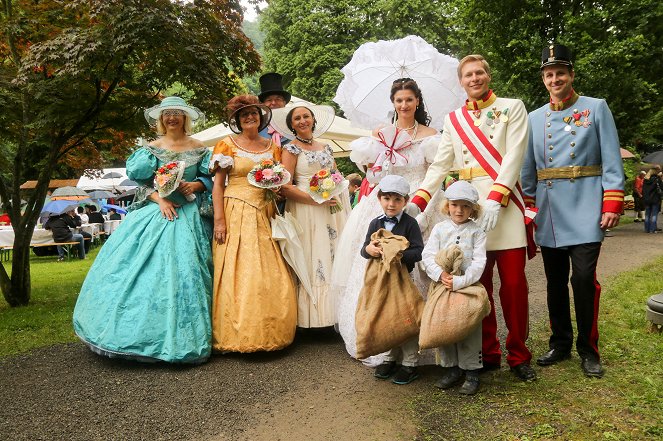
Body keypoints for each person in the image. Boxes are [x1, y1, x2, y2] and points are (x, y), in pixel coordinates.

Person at [408, 55, 536, 382]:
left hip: (502, 206)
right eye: (468, 74)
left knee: (513, 286)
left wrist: (496, 197)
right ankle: (486, 353)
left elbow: (514, 154)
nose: (474, 78)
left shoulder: (513, 107)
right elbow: (440, 164)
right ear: (461, 81)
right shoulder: (454, 119)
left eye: (479, 72)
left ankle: (519, 355)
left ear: (488, 76)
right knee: (476, 286)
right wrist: (420, 199)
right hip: (466, 213)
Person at [73, 96, 214, 363]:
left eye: (177, 113)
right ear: (161, 120)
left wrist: (195, 186)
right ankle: (140, 334)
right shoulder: (150, 150)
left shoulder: (200, 149)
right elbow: (142, 184)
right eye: (167, 114)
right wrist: (160, 199)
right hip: (159, 211)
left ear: (186, 118)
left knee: (192, 268)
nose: (172, 117)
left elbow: (209, 178)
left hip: (192, 213)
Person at [521, 44, 624, 378]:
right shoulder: (534, 118)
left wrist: (612, 201)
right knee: (554, 282)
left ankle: (588, 349)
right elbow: (528, 168)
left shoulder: (596, 108)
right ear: (543, 79)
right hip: (550, 212)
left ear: (571, 75)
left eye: (560, 73)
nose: (555, 79)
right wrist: (529, 206)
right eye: (549, 74)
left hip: (587, 207)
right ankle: (560, 343)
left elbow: (611, 158)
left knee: (582, 278)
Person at [331, 78, 443, 365]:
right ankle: (382, 337)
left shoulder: (431, 135)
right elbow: (374, 176)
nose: (404, 105)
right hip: (386, 203)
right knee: (377, 266)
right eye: (398, 100)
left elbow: (435, 174)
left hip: (420, 200)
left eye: (409, 99)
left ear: (417, 101)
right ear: (392, 103)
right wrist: (375, 164)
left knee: (418, 267)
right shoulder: (381, 134)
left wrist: (424, 208)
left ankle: (422, 336)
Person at [210, 94, 297, 352]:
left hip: (265, 211)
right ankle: (236, 333)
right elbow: (217, 186)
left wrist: (277, 190)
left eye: (254, 114)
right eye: (245, 114)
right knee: (240, 269)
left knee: (269, 269)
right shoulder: (226, 145)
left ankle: (271, 330)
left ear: (261, 119)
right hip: (235, 209)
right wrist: (219, 220)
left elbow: (281, 181)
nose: (250, 117)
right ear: (237, 120)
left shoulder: (272, 146)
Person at [270, 105, 351, 329]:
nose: (302, 121)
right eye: (297, 118)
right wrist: (316, 199)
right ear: (292, 125)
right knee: (312, 255)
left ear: (313, 120)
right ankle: (312, 318)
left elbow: (335, 174)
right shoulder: (291, 149)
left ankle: (334, 315)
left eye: (306, 116)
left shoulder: (326, 147)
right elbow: (285, 187)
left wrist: (334, 191)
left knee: (333, 253)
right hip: (305, 207)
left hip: (330, 207)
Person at [421, 181, 487, 395]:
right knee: (445, 323)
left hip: (467, 286)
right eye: (455, 205)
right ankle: (451, 368)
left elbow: (479, 262)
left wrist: (461, 281)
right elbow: (428, 256)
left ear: (473, 209)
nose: (459, 210)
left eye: (465, 206)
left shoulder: (477, 232)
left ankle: (471, 370)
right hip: (442, 285)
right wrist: (441, 275)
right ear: (447, 206)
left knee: (468, 325)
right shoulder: (440, 229)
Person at [363, 175, 424, 385]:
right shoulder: (375, 223)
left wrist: (397, 254)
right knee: (386, 317)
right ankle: (390, 357)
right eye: (387, 198)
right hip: (382, 280)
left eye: (397, 200)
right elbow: (365, 249)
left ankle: (410, 362)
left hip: (403, 279)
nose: (391, 204)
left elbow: (418, 251)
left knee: (406, 317)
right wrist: (369, 249)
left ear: (405, 201)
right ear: (379, 199)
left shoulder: (410, 224)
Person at [258, 72, 292, 146]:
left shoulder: (294, 123)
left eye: (278, 99)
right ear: (263, 105)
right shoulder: (256, 127)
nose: (273, 103)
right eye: (269, 100)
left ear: (284, 103)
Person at [642, 166, 662, 233]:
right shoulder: (657, 178)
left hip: (647, 199)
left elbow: (643, 190)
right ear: (655, 171)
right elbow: (661, 188)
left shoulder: (645, 179)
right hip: (655, 198)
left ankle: (646, 229)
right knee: (654, 214)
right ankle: (652, 229)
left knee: (647, 214)